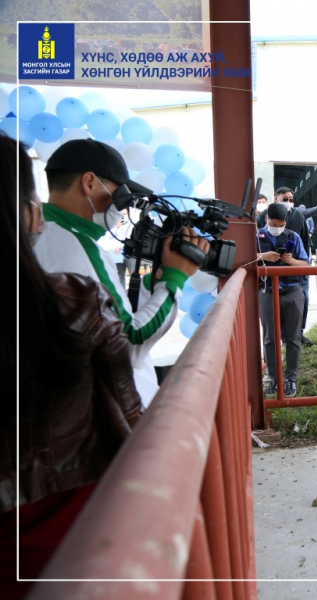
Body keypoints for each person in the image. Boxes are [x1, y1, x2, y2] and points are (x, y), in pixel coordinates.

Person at [2, 136, 142, 594]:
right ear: (26, 212)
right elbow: (130, 396)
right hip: (64, 536)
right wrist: (174, 279)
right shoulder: (75, 299)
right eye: (117, 197)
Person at [34, 139, 208, 407]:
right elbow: (129, 344)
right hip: (106, 413)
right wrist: (174, 278)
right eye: (119, 195)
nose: (121, 207)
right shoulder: (78, 247)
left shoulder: (34, 237)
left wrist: (153, 283)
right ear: (89, 183)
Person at [256, 202, 309, 397]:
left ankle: (290, 378)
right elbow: (245, 261)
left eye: (281, 224)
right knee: (270, 338)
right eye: (274, 223)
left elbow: (305, 265)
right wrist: (263, 256)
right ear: (266, 219)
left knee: (293, 338)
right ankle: (273, 377)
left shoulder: (293, 237)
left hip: (293, 291)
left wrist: (290, 261)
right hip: (267, 291)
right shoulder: (255, 237)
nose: (277, 228)